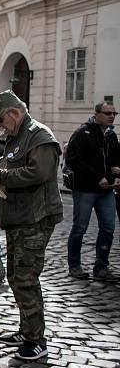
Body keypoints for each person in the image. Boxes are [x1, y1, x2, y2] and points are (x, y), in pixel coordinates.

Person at [0, 91, 63, 362]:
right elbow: (17, 171)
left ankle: (37, 340)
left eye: (1, 119)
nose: (0, 125)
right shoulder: (18, 135)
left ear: (14, 112)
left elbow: (38, 173)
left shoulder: (39, 136)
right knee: (15, 277)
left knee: (26, 278)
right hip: (19, 218)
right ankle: (26, 330)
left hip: (35, 219)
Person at [64, 101, 120, 280]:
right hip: (85, 189)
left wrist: (117, 173)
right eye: (108, 113)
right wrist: (97, 177)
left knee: (108, 228)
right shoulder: (83, 133)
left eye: (114, 113)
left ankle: (101, 267)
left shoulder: (111, 135)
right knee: (80, 228)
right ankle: (74, 265)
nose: (112, 116)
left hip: (107, 191)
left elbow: (116, 158)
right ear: (96, 114)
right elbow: (73, 160)